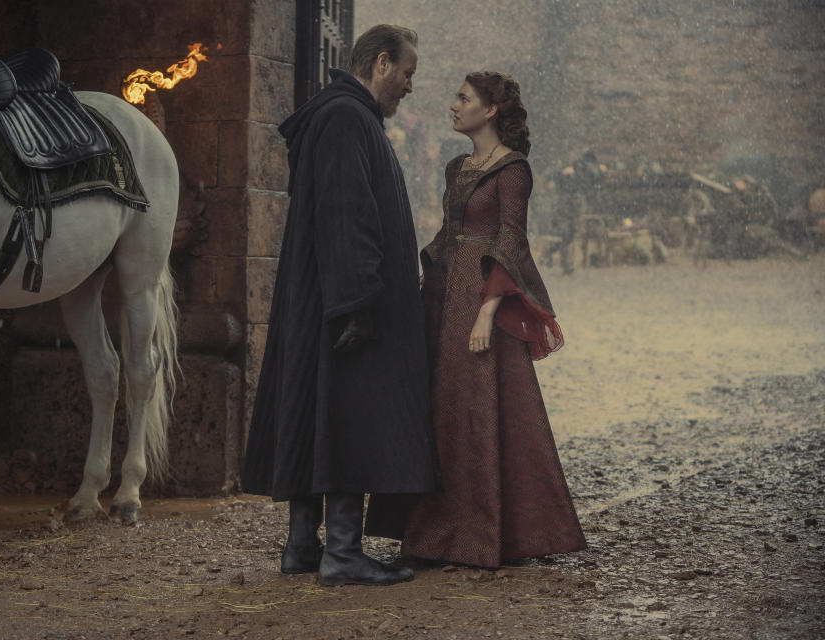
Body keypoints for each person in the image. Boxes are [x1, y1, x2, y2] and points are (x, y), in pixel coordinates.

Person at [240, 25, 440, 586]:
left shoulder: (339, 116)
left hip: (323, 297)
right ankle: (343, 552)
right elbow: (347, 212)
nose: (409, 86)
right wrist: (357, 302)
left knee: (318, 412)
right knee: (348, 415)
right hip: (344, 301)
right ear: (380, 64)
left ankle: (304, 545)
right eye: (407, 74)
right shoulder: (347, 118)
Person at [366, 72, 587, 568]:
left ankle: (483, 533)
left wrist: (488, 310)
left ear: (489, 111)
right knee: (439, 411)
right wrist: (418, 290)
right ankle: (430, 534)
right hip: (444, 298)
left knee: (479, 414)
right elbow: (449, 234)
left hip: (483, 301)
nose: (453, 106)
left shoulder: (514, 171)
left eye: (463, 98)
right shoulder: (456, 168)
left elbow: (511, 241)